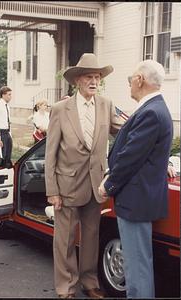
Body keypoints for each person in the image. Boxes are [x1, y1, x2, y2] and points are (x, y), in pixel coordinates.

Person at [45, 53, 123, 299]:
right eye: (89, 76)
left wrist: (155, 153)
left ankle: (90, 283)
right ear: (77, 80)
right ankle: (66, 288)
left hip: (95, 185)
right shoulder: (60, 109)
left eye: (97, 76)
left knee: (91, 237)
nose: (94, 81)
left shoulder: (106, 104)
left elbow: (125, 131)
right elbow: (50, 153)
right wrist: (52, 191)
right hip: (66, 186)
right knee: (64, 241)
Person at [98, 60, 173, 298]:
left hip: (135, 202)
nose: (129, 83)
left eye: (130, 78)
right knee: (138, 264)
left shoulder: (150, 111)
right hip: (140, 200)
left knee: (136, 267)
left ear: (140, 79)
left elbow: (130, 156)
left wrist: (108, 185)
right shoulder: (155, 108)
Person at [0, 86, 13, 168]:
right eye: (9, 95)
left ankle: (7, 174)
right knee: (2, 157)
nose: (11, 97)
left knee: (8, 156)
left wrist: (10, 135)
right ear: (3, 95)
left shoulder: (7, 106)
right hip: (1, 133)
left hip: (7, 133)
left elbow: (8, 121)